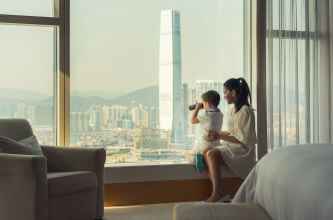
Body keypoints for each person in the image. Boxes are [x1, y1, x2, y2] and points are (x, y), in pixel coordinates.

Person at [203, 77, 257, 202]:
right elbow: (231, 132)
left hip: (243, 150)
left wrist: (219, 135)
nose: (224, 95)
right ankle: (220, 192)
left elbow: (242, 140)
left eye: (226, 92)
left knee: (211, 154)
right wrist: (215, 134)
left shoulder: (245, 111)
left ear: (233, 93)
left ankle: (217, 193)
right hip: (232, 146)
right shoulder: (232, 110)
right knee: (206, 151)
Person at [191, 90, 223, 173]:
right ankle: (201, 157)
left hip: (204, 145)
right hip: (216, 144)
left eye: (204, 103)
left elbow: (192, 120)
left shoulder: (206, 114)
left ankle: (199, 156)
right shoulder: (220, 114)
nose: (203, 105)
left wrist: (197, 108)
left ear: (208, 103)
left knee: (187, 155)